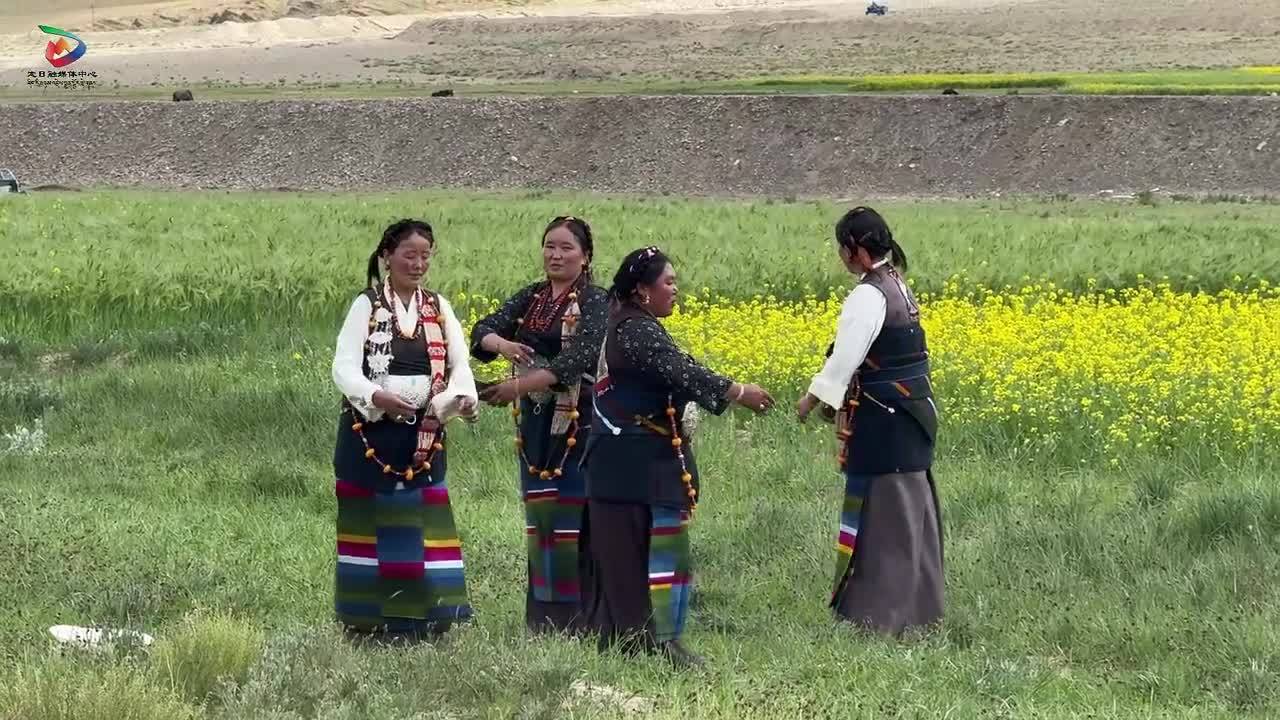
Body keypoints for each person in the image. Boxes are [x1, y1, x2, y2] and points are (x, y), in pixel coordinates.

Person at [582, 245, 774, 668]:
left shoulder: (634, 323)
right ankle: (649, 644)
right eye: (668, 282)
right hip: (629, 464)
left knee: (642, 553)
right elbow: (679, 370)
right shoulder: (634, 329)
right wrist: (739, 392)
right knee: (636, 556)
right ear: (642, 289)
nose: (675, 290)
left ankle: (649, 641)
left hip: (635, 462)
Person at [796, 206, 944, 636]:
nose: (841, 257)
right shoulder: (897, 283)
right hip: (910, 413)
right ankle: (919, 613)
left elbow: (846, 358)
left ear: (855, 249)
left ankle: (881, 619)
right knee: (911, 513)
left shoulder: (868, 294)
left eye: (842, 248)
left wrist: (812, 399)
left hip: (885, 420)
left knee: (885, 518)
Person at [330, 218, 480, 639]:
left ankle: (425, 621)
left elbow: (460, 364)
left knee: (421, 526)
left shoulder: (437, 306)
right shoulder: (366, 305)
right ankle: (368, 622)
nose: (417, 264)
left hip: (423, 438)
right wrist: (377, 397)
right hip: (370, 435)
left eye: (425, 256)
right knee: (368, 527)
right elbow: (344, 367)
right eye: (408, 255)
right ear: (387, 257)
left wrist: (462, 396)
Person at [469, 215, 609, 634]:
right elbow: (481, 331)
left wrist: (520, 385)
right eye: (550, 246)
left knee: (575, 518)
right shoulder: (532, 297)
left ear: (585, 257)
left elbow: (579, 358)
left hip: (578, 423)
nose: (556, 255)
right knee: (543, 517)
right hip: (534, 424)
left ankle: (582, 619)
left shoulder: (597, 300)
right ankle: (545, 619)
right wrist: (505, 345)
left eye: (566, 247)